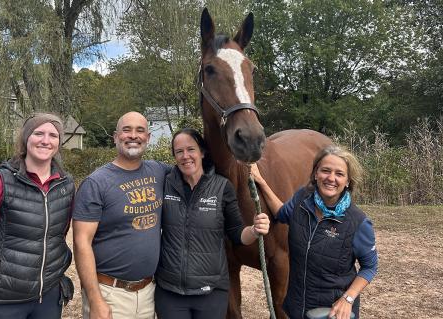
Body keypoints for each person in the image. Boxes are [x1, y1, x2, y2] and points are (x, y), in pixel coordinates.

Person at [0, 113, 75, 319]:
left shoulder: (66, 185)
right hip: (2, 302)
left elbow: (58, 236)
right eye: (38, 133)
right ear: (26, 138)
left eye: (53, 135)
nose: (45, 140)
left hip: (48, 298)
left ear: (59, 142)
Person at [250, 145, 378, 319]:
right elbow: (282, 213)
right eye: (325, 171)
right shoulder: (302, 199)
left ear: (348, 181)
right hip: (296, 306)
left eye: (339, 174)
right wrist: (261, 181)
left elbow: (370, 266)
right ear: (316, 174)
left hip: (332, 311)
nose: (331, 178)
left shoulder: (358, 222)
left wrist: (347, 299)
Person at [155, 128, 270, 319]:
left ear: (202, 152)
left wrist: (255, 230)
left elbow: (236, 233)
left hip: (211, 292)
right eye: (179, 152)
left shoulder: (222, 187)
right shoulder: (165, 184)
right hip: (170, 292)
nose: (185, 156)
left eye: (190, 149)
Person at [72, 111, 171, 319]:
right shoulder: (96, 183)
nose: (133, 135)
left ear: (148, 138)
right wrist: (95, 299)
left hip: (148, 292)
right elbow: (82, 243)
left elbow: (195, 166)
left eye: (140, 130)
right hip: (110, 294)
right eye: (126, 130)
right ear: (116, 137)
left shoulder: (160, 171)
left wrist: (250, 166)